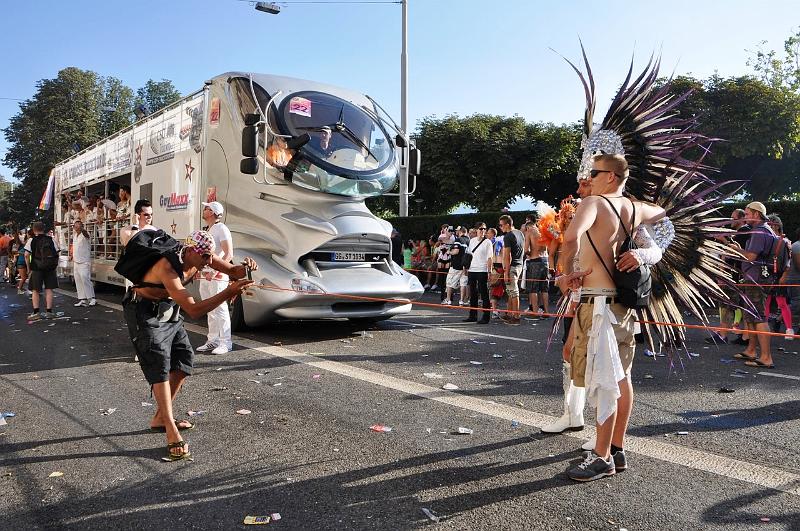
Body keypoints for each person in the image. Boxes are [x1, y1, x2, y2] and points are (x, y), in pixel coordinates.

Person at [557, 153, 665, 482]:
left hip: (600, 304)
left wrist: (565, 274)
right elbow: (661, 216)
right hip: (622, 307)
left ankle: (601, 457)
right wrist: (642, 251)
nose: (586, 178)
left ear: (612, 177)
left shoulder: (593, 204)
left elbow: (572, 237)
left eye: (593, 172)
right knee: (621, 377)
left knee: (605, 379)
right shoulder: (635, 209)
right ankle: (616, 449)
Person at [122, 229, 256, 461]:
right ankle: (171, 432)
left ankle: (160, 418)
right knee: (159, 367)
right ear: (192, 251)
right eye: (204, 257)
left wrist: (247, 268)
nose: (208, 262)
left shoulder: (203, 256)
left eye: (209, 257)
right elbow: (194, 310)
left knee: (183, 362)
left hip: (168, 311)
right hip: (144, 312)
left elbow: (234, 271)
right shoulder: (167, 267)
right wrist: (228, 292)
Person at [732, 201, 777, 369]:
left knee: (758, 317)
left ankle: (766, 357)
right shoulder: (767, 229)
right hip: (758, 277)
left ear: (756, 214)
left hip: (756, 279)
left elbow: (750, 257)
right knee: (751, 316)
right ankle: (751, 350)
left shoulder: (759, 231)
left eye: (747, 213)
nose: (746, 217)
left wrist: (736, 250)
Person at [196, 201, 235, 355]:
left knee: (220, 308)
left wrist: (217, 271)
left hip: (217, 276)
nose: (204, 210)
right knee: (209, 307)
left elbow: (229, 253)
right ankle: (213, 341)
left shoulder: (221, 228)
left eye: (206, 208)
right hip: (206, 274)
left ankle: (226, 342)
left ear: (212, 212)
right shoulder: (210, 229)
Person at [24, 222, 63, 321]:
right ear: (44, 229)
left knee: (35, 290)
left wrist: (28, 268)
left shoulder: (31, 240)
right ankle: (49, 312)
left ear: (34, 230)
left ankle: (36, 312)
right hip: (50, 268)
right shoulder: (50, 239)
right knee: (49, 289)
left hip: (36, 268)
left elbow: (26, 255)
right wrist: (55, 264)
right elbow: (58, 252)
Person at [765, 214, 793, 339]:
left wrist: (785, 275)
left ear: (776, 225)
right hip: (767, 274)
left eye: (770, 223)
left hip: (779, 274)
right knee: (766, 301)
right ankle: (764, 327)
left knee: (781, 302)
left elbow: (788, 262)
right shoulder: (767, 239)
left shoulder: (784, 241)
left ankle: (789, 329)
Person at [464, 222, 494, 324]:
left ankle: (486, 317)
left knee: (484, 293)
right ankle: (472, 315)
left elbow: (490, 258)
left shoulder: (488, 242)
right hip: (472, 269)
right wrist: (466, 268)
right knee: (473, 293)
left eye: (484, 229)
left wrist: (489, 271)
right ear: (476, 230)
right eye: (481, 229)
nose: (483, 231)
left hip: (482, 270)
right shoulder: (471, 241)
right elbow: (468, 255)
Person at [499, 215, 524, 324]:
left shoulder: (508, 236)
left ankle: (516, 316)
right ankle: (509, 314)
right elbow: (523, 250)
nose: (500, 227)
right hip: (519, 264)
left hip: (512, 266)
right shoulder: (520, 233)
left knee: (513, 292)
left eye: (501, 225)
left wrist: (506, 272)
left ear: (507, 224)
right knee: (511, 291)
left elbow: (506, 256)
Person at [524, 219, 549, 318]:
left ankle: (535, 313)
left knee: (533, 289)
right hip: (545, 260)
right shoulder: (543, 230)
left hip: (534, 261)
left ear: (528, 227)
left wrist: (528, 254)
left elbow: (526, 249)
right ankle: (546, 312)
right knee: (544, 289)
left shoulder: (530, 231)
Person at [70, 220, 96, 307]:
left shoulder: (85, 234)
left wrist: (82, 229)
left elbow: (86, 235)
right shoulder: (74, 235)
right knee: (78, 280)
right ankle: (83, 299)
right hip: (76, 261)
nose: (77, 228)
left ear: (82, 227)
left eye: (79, 226)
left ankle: (92, 298)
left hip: (84, 261)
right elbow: (74, 246)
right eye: (75, 226)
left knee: (85, 279)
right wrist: (71, 255)